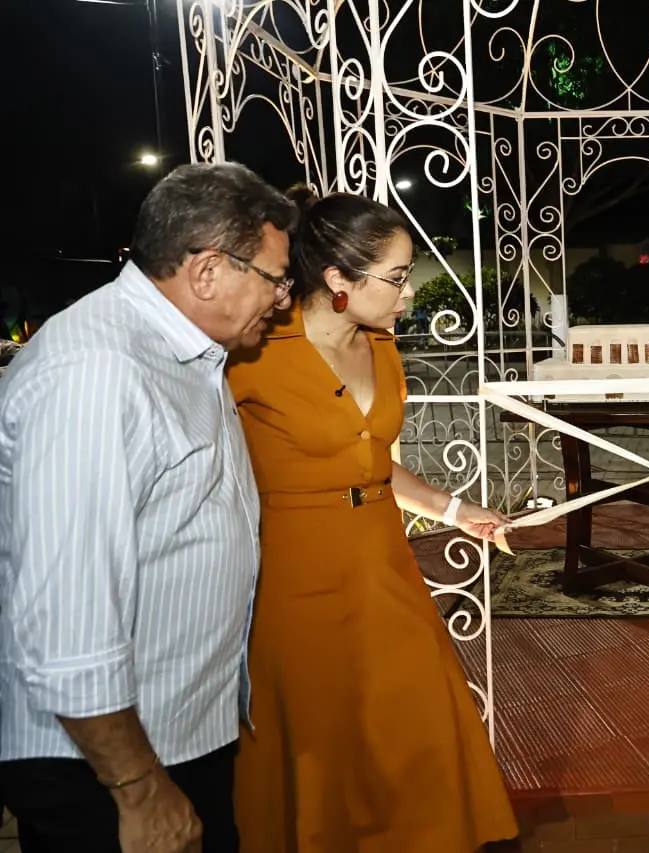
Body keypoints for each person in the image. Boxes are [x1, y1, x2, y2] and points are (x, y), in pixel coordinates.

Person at [0, 162, 297, 853]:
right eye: (274, 277)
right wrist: (136, 785)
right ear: (206, 272)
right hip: (102, 764)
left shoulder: (185, 352)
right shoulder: (98, 372)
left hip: (172, 731)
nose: (283, 299)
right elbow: (70, 621)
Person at [227, 188, 518, 852]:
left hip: (383, 563)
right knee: (319, 735)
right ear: (337, 278)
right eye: (394, 277)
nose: (408, 292)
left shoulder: (384, 349)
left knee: (412, 721)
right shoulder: (254, 354)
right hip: (294, 575)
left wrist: (453, 508)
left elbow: (372, 462)